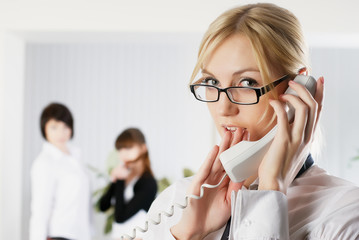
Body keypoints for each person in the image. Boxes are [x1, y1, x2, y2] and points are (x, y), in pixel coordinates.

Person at [140, 3, 359, 240]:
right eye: (212, 82)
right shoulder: (177, 202)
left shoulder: (344, 213)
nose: (224, 108)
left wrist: (270, 191)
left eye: (247, 83)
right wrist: (185, 234)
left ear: (298, 87)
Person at [29, 103, 91, 240]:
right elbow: (40, 210)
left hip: (81, 235)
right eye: (54, 127)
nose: (61, 133)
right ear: (44, 128)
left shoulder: (76, 156)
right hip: (59, 234)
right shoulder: (45, 162)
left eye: (65, 127)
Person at [99, 128, 157, 239]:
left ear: (143, 148)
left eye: (128, 147)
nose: (123, 153)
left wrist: (120, 180)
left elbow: (120, 217)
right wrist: (114, 181)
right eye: (120, 149)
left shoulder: (148, 183)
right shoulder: (124, 176)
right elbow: (103, 206)